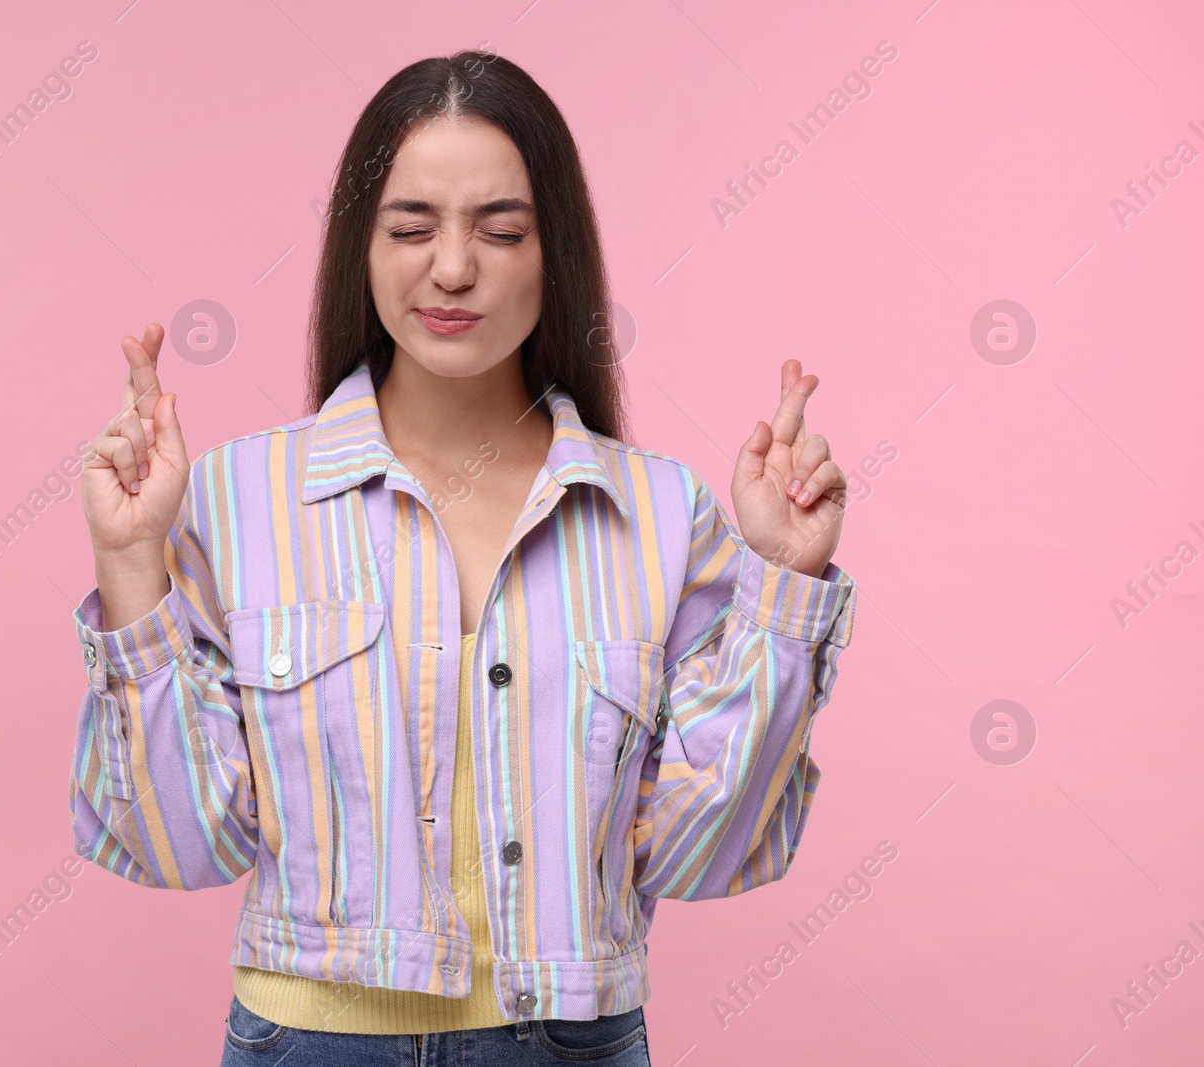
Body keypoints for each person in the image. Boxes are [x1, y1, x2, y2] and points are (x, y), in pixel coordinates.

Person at [70, 49, 857, 1066]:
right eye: (410, 228)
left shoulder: (661, 512)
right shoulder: (233, 500)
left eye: (500, 229)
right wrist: (131, 563)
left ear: (553, 251)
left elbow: (703, 853)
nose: (451, 267)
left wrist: (781, 583)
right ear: (361, 244)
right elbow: (180, 844)